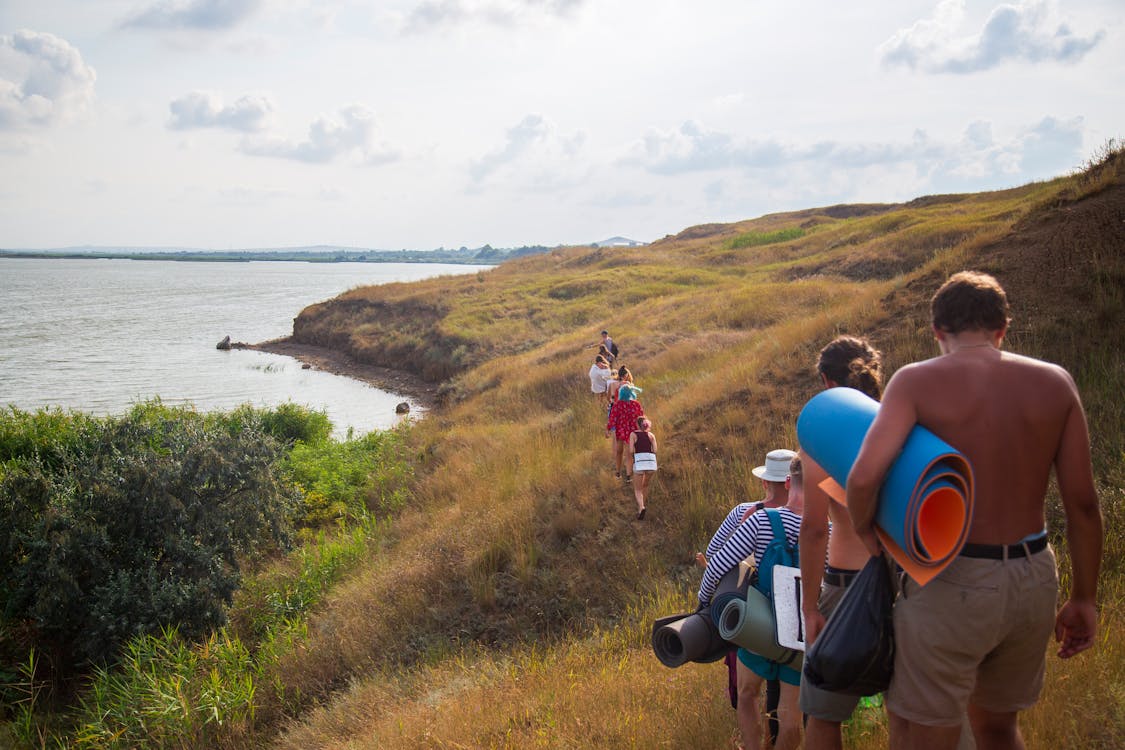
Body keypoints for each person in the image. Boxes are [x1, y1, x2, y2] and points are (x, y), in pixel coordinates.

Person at [846, 271, 1102, 750]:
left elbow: (863, 478)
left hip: (952, 579)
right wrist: (1083, 598)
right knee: (999, 730)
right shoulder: (1056, 383)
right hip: (1033, 576)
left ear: (937, 331)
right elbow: (1083, 505)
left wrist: (867, 533)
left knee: (926, 736)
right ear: (1003, 327)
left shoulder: (916, 381)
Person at [797, 336, 884, 750]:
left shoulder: (823, 435)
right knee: (913, 713)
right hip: (909, 582)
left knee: (824, 715)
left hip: (848, 589)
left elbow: (814, 530)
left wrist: (810, 607)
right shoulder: (900, 421)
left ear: (828, 384)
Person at [697, 455, 805, 750]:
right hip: (799, 633)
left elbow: (718, 564)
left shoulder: (759, 521)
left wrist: (703, 602)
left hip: (758, 623)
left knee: (747, 694)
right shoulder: (828, 531)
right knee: (792, 719)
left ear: (787, 482)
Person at [606, 382, 644, 483]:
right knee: (629, 453)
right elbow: (641, 418)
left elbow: (612, 419)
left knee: (619, 451)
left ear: (621, 393)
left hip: (620, 430)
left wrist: (608, 430)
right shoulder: (636, 405)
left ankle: (618, 473)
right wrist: (643, 430)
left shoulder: (617, 405)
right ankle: (628, 476)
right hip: (631, 432)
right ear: (632, 393)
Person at [628, 416, 658, 520]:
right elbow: (655, 450)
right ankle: (642, 506)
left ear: (637, 424)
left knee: (637, 489)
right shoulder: (651, 435)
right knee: (645, 485)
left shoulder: (633, 434)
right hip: (651, 463)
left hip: (640, 462)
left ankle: (641, 507)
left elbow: (631, 450)